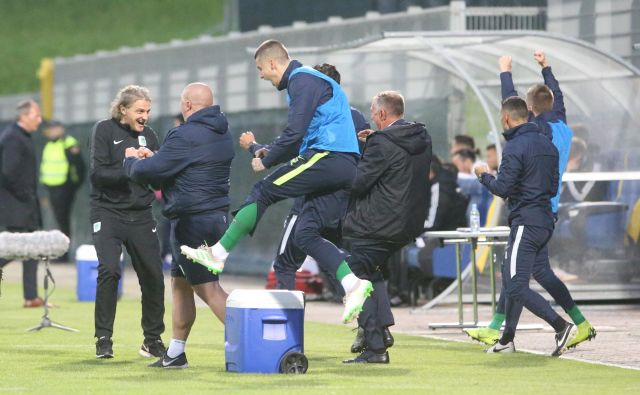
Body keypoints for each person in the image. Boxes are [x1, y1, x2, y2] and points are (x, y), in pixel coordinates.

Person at [181, 39, 372, 324]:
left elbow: (294, 134)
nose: (260, 75)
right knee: (306, 235)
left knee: (262, 190)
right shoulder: (308, 84)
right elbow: (300, 141)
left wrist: (267, 161)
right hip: (338, 164)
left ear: (273, 63)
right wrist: (266, 150)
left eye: (260, 68)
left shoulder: (301, 79)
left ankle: (218, 253)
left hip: (329, 158)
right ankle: (353, 284)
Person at [466, 51, 595, 351]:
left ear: (531, 113)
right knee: (534, 273)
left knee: (516, 276)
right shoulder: (561, 125)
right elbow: (555, 96)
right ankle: (507, 332)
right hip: (548, 205)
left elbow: (513, 108)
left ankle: (552, 326)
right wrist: (546, 67)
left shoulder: (539, 131)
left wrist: (505, 73)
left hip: (532, 207)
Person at [124, 82, 233, 369]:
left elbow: (152, 172)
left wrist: (131, 162)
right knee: (181, 284)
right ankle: (175, 352)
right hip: (216, 216)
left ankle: (250, 341)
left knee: (209, 289)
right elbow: (185, 166)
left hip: (192, 221)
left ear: (187, 105)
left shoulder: (184, 134)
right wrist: (159, 158)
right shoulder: (223, 131)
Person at [238, 63, 369, 296]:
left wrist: (256, 149)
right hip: (343, 202)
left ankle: (289, 329)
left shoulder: (316, 115)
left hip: (312, 196)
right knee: (334, 258)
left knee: (286, 262)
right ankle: (370, 322)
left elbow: (294, 145)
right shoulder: (357, 119)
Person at [474, 96, 578, 355]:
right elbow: (553, 186)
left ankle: (560, 325)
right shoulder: (549, 144)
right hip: (544, 220)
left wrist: (483, 175)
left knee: (515, 284)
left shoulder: (514, 147)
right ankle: (507, 339)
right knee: (516, 280)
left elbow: (503, 187)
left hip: (526, 222)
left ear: (507, 118)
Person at [342, 91, 432, 364]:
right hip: (407, 224)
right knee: (370, 271)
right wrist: (375, 139)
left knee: (353, 276)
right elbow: (398, 163)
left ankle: (376, 345)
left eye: (373, 111)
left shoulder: (382, 142)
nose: (371, 115)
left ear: (382, 114)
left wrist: (359, 152)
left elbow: (358, 182)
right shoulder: (420, 137)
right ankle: (382, 331)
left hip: (380, 224)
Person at [89, 85, 165, 359]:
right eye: (139, 111)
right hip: (108, 212)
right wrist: (127, 163)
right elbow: (98, 175)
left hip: (141, 215)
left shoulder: (150, 136)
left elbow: (158, 181)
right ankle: (103, 338)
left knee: (154, 276)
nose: (145, 116)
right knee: (109, 270)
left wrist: (153, 162)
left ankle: (153, 339)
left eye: (148, 111)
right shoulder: (104, 130)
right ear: (123, 109)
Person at [0, 100, 44, 307]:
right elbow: (8, 172)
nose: (40, 120)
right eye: (36, 116)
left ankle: (31, 297)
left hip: (25, 204)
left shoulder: (22, 136)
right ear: (24, 116)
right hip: (16, 205)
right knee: (18, 248)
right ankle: (31, 297)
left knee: (31, 248)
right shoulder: (13, 138)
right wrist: (25, 194)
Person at [40, 121, 85, 261]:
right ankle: (60, 252)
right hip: (51, 187)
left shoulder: (69, 143)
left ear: (61, 129)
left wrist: (73, 186)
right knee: (59, 219)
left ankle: (64, 254)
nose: (52, 132)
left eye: (54, 129)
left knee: (63, 220)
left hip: (65, 188)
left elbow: (80, 167)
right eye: (50, 129)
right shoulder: (48, 145)